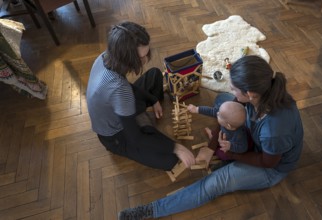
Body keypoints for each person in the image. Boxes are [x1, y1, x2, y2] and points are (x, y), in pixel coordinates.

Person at [118, 55, 304, 219]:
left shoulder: (275, 130)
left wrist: (233, 156)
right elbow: (226, 112)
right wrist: (210, 146)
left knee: (216, 183)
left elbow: (267, 162)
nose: (232, 91)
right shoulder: (263, 90)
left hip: (270, 167)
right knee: (223, 101)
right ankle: (229, 158)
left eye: (235, 89)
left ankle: (152, 210)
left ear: (250, 94)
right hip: (256, 138)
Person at [86, 21, 195, 171]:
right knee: (170, 160)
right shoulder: (119, 89)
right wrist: (177, 147)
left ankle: (145, 117)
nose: (145, 60)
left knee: (155, 75)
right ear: (127, 57)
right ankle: (144, 122)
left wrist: (153, 99)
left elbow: (127, 87)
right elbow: (135, 138)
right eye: (141, 57)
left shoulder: (105, 57)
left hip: (119, 105)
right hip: (115, 137)